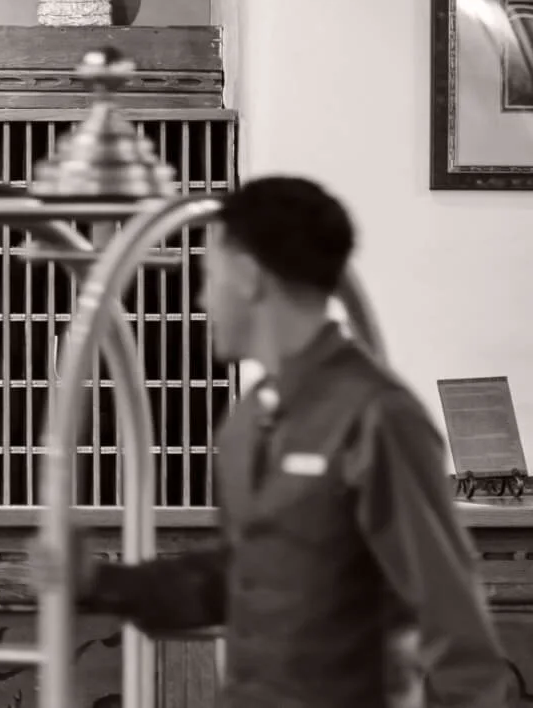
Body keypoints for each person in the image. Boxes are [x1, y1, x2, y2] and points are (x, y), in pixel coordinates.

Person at [42, 177, 512, 707]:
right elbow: (241, 575)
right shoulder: (247, 421)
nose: (201, 301)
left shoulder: (378, 417)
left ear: (247, 277)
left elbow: (451, 620)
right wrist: (101, 582)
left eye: (209, 278)